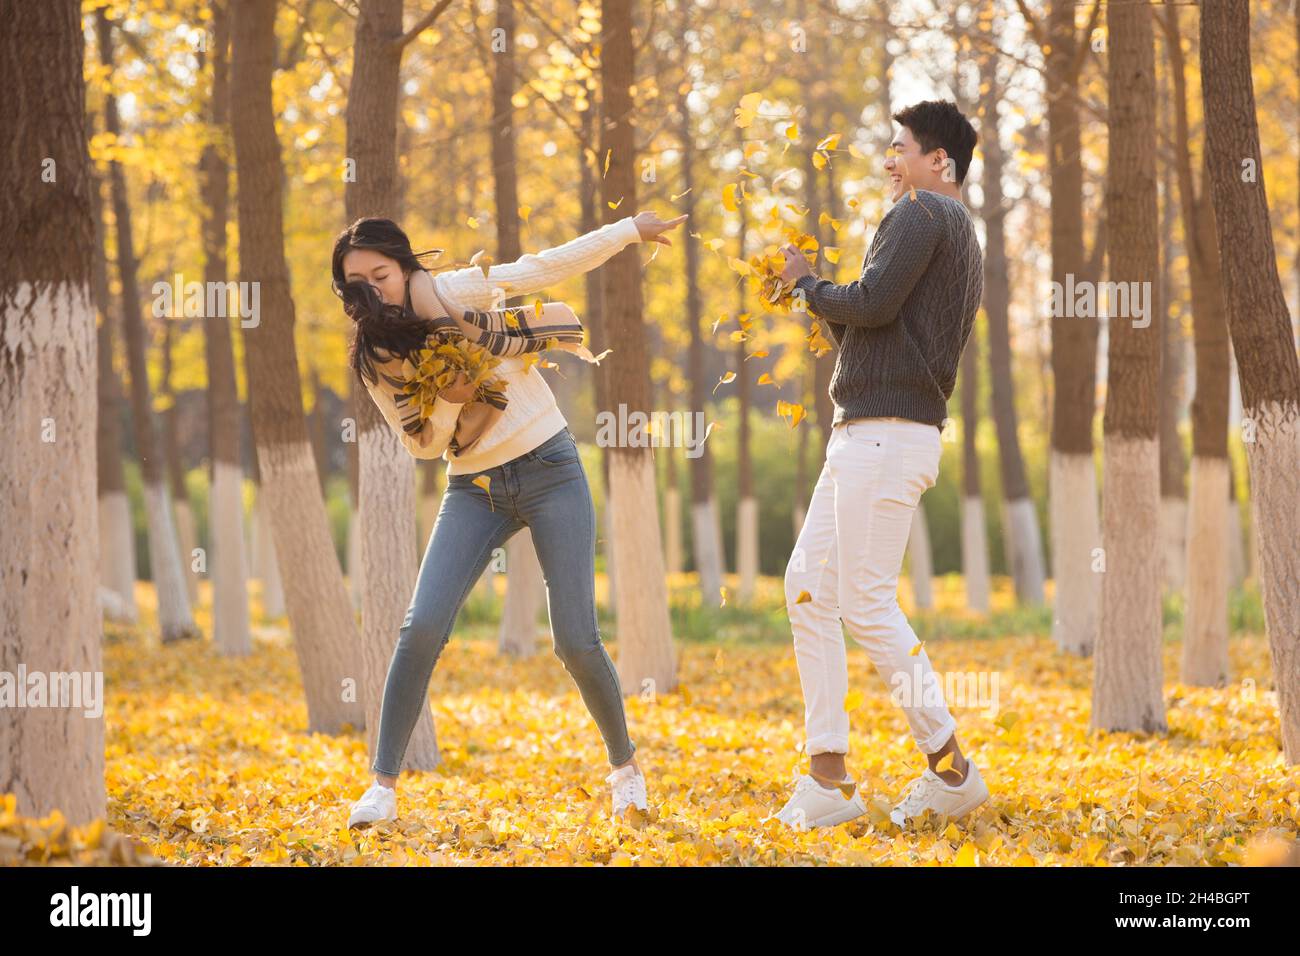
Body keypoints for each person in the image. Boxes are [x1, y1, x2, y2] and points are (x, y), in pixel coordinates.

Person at [333, 209, 686, 827]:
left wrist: (629, 229)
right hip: (475, 487)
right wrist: (449, 405)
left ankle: (626, 771)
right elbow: (419, 443)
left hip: (551, 469)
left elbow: (543, 266)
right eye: (357, 281)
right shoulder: (378, 359)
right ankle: (381, 788)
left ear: (406, 265)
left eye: (381, 273)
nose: (373, 289)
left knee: (576, 640)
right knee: (420, 629)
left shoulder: (454, 293)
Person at [770, 100, 990, 830]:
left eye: (902, 148)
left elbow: (868, 303)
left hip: (886, 436)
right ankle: (829, 780)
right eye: (890, 148)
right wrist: (818, 295)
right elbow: (870, 321)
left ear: (941, 163)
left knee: (862, 599)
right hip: (870, 430)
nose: (890, 161)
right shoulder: (949, 229)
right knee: (808, 585)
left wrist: (808, 283)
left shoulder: (925, 215)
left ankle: (952, 769)